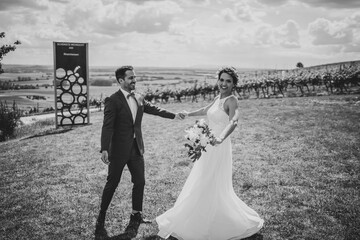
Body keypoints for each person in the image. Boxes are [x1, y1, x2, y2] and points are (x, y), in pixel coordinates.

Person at [156, 67, 264, 240]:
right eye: (222, 79)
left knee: (212, 181)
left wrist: (221, 138)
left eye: (228, 81)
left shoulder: (231, 100)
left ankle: (217, 220)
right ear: (218, 80)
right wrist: (187, 114)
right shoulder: (218, 98)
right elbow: (205, 110)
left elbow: (234, 121)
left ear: (233, 84)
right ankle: (201, 215)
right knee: (202, 179)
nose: (224, 83)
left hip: (219, 146)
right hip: (208, 146)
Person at [95, 65, 184, 235]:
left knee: (140, 181)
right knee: (112, 183)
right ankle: (102, 215)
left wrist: (174, 115)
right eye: (130, 78)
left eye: (134, 77)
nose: (134, 80)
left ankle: (136, 214)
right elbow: (107, 127)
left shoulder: (139, 97)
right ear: (121, 80)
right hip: (119, 150)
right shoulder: (113, 100)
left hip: (136, 148)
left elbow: (155, 109)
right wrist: (104, 148)